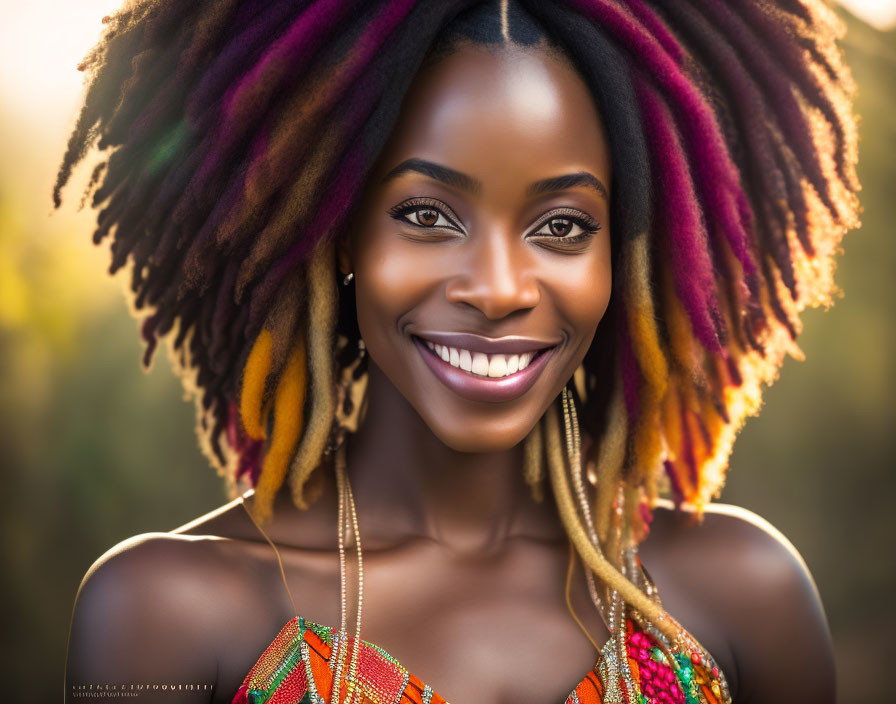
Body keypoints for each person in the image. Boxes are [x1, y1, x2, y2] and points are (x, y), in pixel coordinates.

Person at [58, 1, 859, 703]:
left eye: (563, 227)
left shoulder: (747, 594)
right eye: (428, 216)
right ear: (332, 227)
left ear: (634, 252)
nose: (499, 287)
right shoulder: (167, 613)